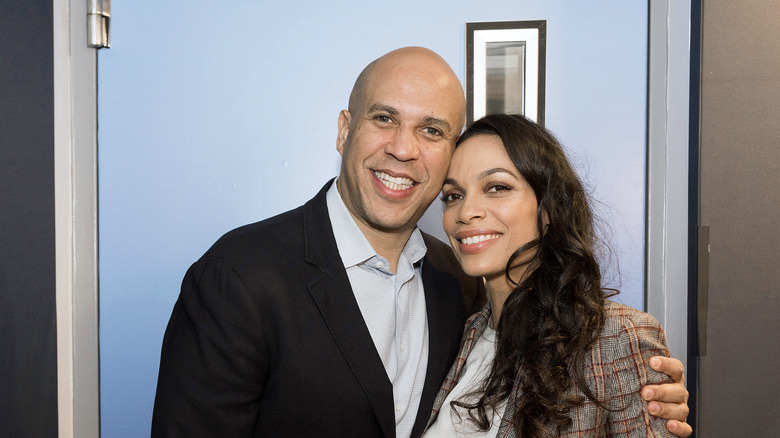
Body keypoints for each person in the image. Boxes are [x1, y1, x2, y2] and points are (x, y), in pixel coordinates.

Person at [152, 47, 690, 438]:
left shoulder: (454, 282)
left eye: (432, 130)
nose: (404, 149)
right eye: (384, 118)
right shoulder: (239, 275)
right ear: (344, 130)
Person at [425, 113, 680, 437]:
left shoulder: (615, 337)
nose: (465, 212)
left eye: (497, 187)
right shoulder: (469, 332)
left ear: (548, 210)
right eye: (453, 195)